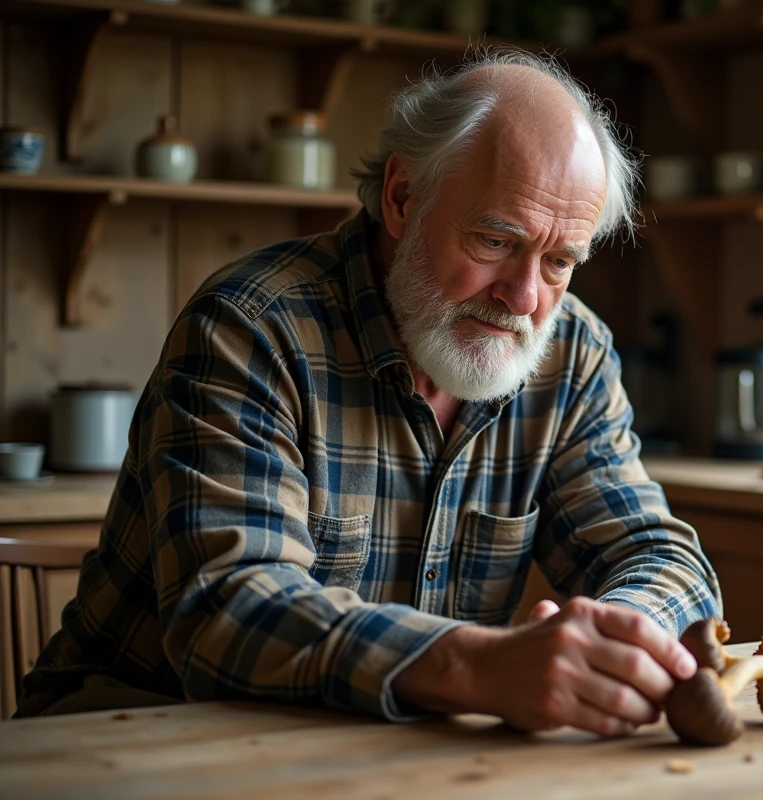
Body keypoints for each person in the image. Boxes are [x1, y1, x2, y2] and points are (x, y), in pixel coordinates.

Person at [19, 50, 721, 738]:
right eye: (495, 241)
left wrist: (623, 638)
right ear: (401, 197)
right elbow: (228, 612)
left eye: (561, 260)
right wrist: (480, 667)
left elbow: (665, 560)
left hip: (379, 745)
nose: (526, 296)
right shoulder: (252, 327)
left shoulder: (572, 355)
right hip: (137, 732)